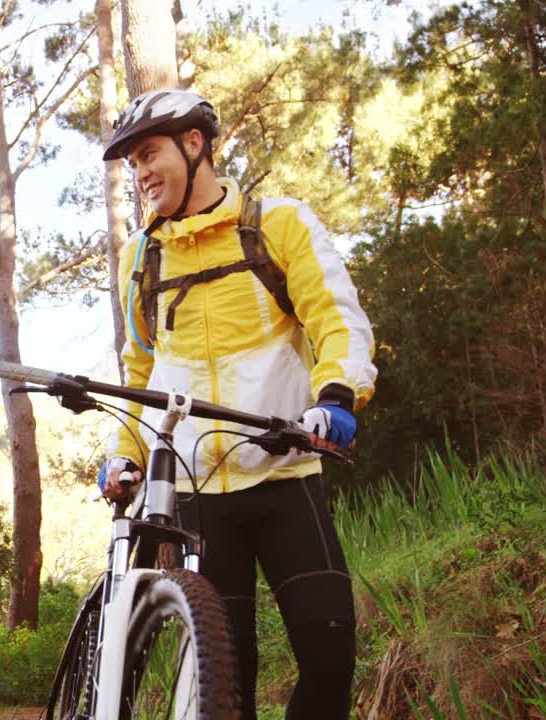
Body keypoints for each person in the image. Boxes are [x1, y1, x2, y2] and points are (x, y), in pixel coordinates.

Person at [98, 89, 377, 719]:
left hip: (285, 473)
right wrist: (125, 454)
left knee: (330, 659)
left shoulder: (277, 226)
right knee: (227, 679)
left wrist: (335, 397)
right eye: (131, 163)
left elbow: (338, 322)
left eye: (149, 154)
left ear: (194, 144)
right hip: (199, 494)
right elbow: (142, 370)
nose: (139, 173)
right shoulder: (140, 259)